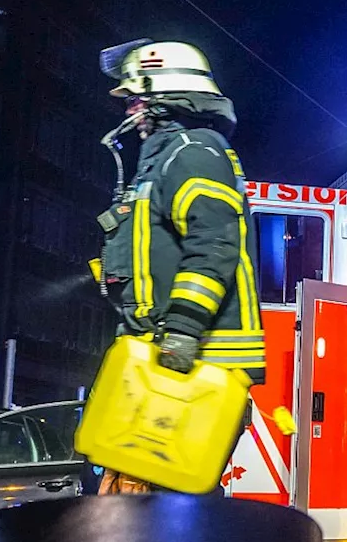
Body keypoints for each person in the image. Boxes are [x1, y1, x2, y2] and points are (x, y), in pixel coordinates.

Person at [93, 39, 264, 494]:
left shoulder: (192, 151)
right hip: (160, 358)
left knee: (158, 518)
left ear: (160, 96)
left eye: (134, 99)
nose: (128, 110)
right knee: (129, 508)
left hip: (195, 365)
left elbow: (214, 245)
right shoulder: (165, 159)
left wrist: (184, 330)